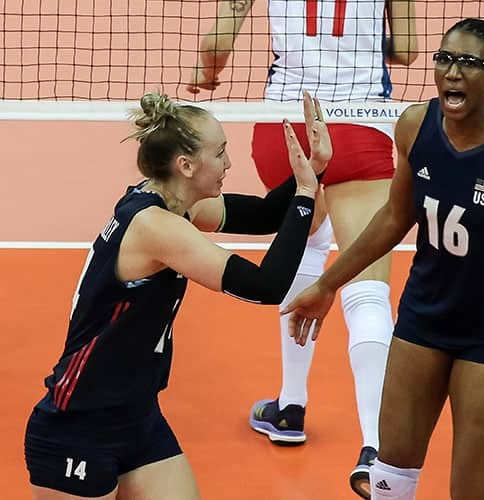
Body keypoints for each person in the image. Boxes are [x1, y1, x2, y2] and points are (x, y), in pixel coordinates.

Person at [284, 18, 484, 500]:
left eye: (468, 63)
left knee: (472, 492)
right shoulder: (416, 126)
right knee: (389, 481)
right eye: (445, 59)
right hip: (423, 319)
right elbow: (395, 217)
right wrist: (328, 284)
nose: (452, 72)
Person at [23, 90, 329, 499]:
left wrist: (313, 169)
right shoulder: (156, 228)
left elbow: (264, 215)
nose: (229, 163)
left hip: (138, 417)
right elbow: (265, 287)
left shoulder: (173, 204)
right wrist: (305, 193)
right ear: (185, 165)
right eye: (220, 153)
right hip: (79, 425)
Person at [187, 3, 418, 496]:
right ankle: (375, 449)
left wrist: (206, 76)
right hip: (360, 125)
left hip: (283, 127)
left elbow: (214, 48)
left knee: (306, 245)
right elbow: (406, 50)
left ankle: (290, 407)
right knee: (368, 288)